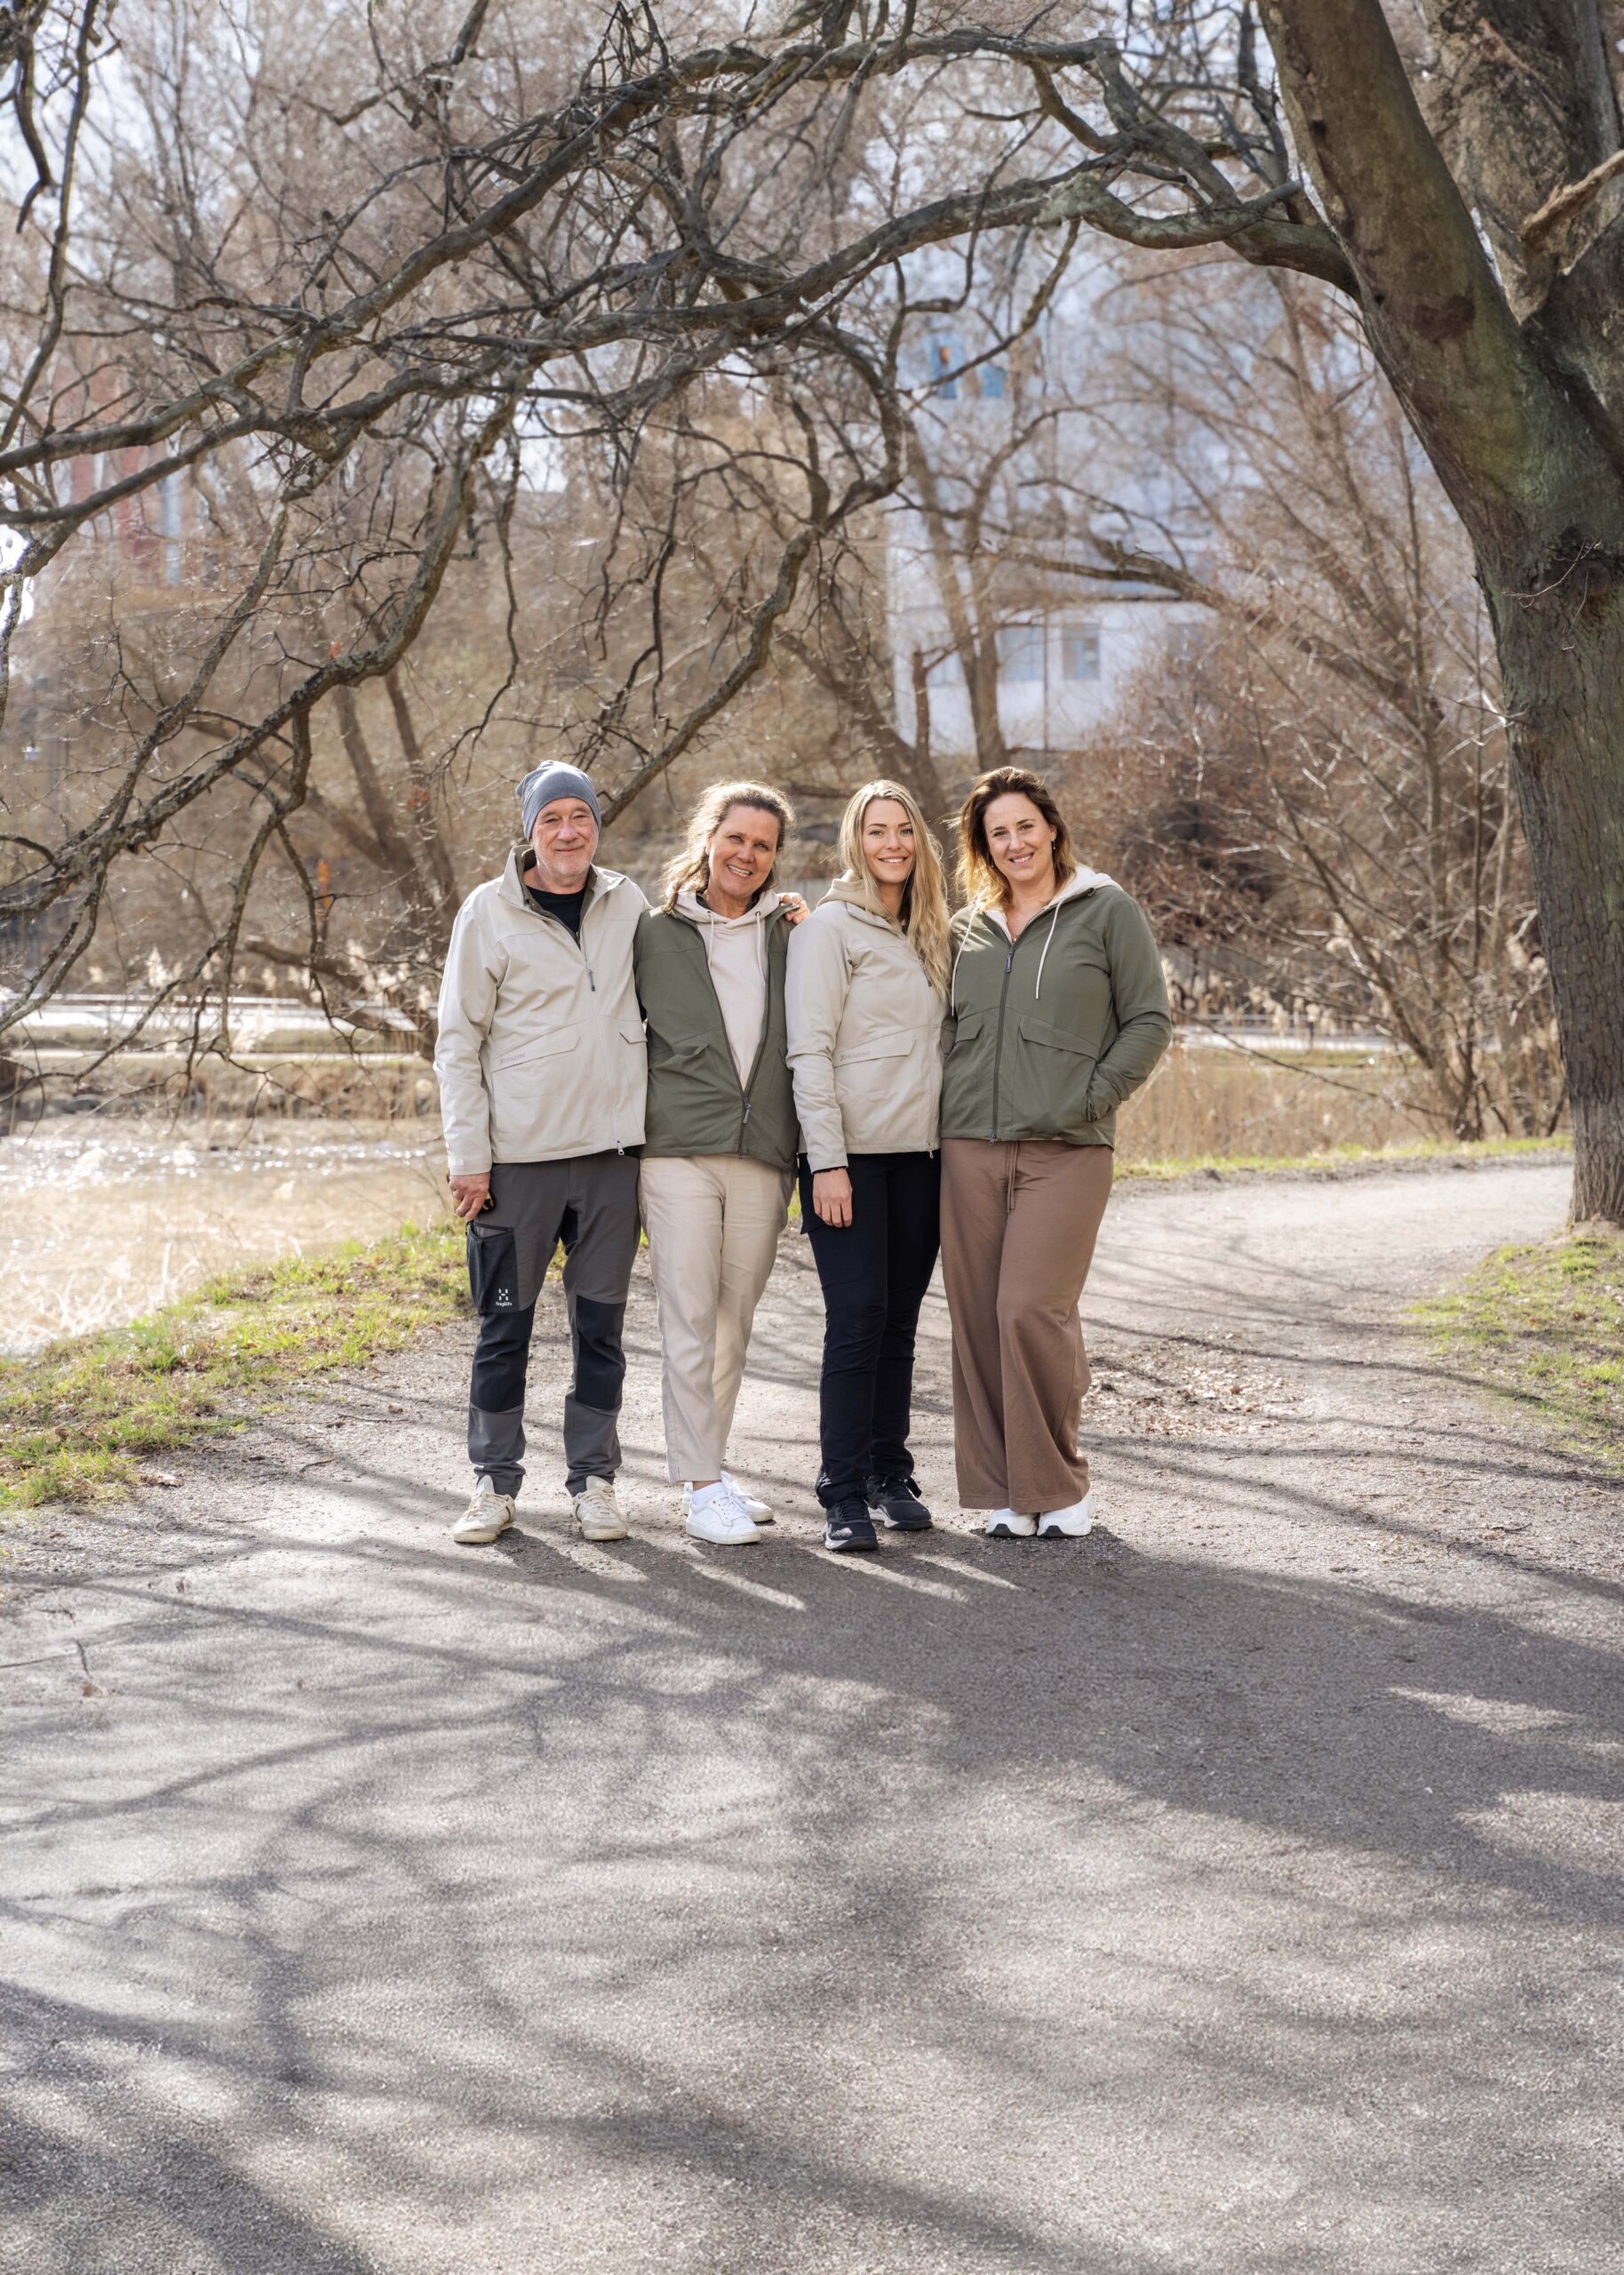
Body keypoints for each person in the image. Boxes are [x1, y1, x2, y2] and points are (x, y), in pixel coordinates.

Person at [939, 765, 1172, 1539]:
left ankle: (1059, 1483)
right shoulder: (966, 927)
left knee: (1030, 1309)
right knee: (978, 1319)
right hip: (969, 1144)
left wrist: (1090, 1099)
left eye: (1025, 826)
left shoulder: (1105, 911)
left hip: (1067, 1147)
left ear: (1052, 827)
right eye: (997, 833)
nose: (1015, 843)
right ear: (984, 846)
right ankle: (1007, 1492)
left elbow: (1148, 1020)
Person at [434, 762, 648, 1547]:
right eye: (552, 817)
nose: (568, 831)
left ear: (596, 824)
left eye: (580, 817)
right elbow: (457, 1043)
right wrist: (470, 1156)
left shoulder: (629, 903)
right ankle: (492, 1483)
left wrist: (780, 916)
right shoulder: (487, 913)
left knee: (601, 1330)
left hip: (611, 1160)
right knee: (503, 1329)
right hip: (515, 1167)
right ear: (529, 829)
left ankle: (594, 1482)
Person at [633, 783, 803, 1546]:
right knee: (689, 1314)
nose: (747, 854)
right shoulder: (651, 932)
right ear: (708, 839)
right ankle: (700, 1488)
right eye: (736, 838)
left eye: (763, 845)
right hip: (677, 1151)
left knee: (735, 1321)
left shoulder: (792, 934)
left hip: (764, 1151)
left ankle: (715, 1466)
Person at [785, 780, 951, 1554]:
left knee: (900, 1323)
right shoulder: (829, 929)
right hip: (846, 1161)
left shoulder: (931, 931)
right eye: (877, 831)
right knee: (856, 1320)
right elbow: (807, 1052)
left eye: (904, 831)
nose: (892, 844)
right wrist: (827, 1163)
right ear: (855, 842)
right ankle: (841, 1492)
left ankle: (890, 1474)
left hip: (921, 1158)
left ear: (919, 842)